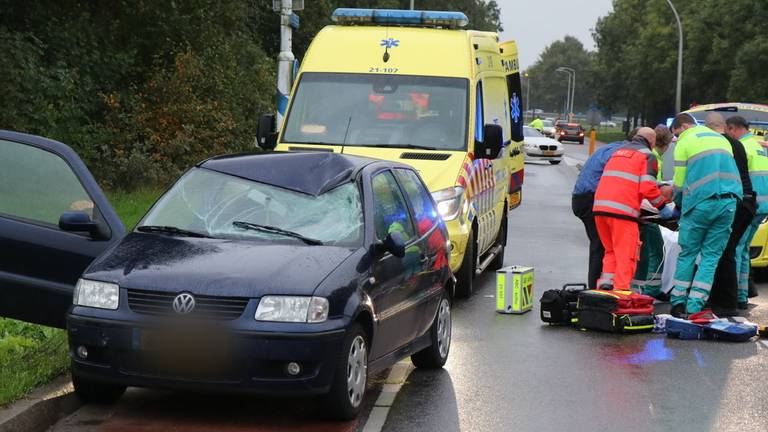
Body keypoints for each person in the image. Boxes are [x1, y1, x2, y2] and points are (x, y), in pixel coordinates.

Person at [669, 114, 742, 318]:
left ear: (682, 127)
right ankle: (695, 306)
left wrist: (677, 205)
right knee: (711, 257)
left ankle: (678, 303)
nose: (676, 138)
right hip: (728, 203)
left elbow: (679, 184)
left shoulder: (685, 142)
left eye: (676, 134)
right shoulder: (721, 139)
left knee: (688, 253)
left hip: (700, 203)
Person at [592, 127, 674, 291]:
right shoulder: (647, 155)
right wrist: (662, 207)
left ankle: (605, 292)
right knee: (627, 255)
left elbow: (627, 180)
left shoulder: (618, 152)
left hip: (600, 209)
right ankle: (622, 293)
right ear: (652, 142)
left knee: (611, 252)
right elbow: (647, 187)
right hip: (623, 214)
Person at [571, 129, 638, 289]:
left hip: (581, 198)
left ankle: (600, 286)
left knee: (600, 245)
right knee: (601, 245)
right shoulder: (621, 154)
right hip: (592, 199)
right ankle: (596, 290)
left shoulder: (610, 148)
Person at [706, 113, 755, 316]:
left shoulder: (718, 144)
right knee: (730, 251)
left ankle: (724, 303)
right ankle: (731, 300)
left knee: (724, 252)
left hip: (734, 202)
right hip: (748, 202)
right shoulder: (736, 144)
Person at [727, 115, 768, 310]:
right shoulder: (758, 147)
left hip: (749, 206)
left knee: (735, 249)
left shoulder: (741, 147)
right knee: (742, 250)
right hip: (761, 208)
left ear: (733, 129)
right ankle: (742, 294)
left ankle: (734, 295)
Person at [632, 125, 675, 299]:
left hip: (642, 208)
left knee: (651, 249)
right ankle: (647, 290)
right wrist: (663, 205)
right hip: (646, 210)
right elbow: (650, 186)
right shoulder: (653, 156)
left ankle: (649, 288)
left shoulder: (650, 155)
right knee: (654, 250)